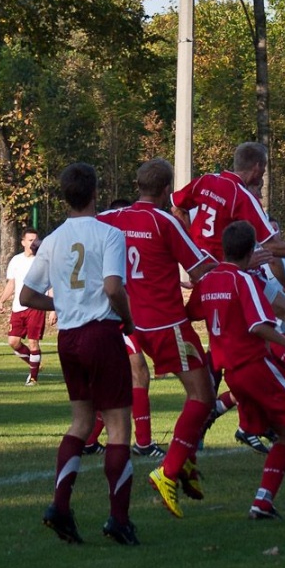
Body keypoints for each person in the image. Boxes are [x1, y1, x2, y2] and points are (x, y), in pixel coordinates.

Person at [171, 142, 285, 451]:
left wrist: (189, 247)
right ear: (257, 169)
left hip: (216, 272)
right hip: (227, 275)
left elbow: (177, 204)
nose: (262, 180)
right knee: (239, 350)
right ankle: (235, 420)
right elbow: (272, 247)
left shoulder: (206, 182)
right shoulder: (240, 195)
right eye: (264, 172)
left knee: (271, 322)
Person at [187, 220, 285, 521]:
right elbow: (258, 325)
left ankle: (262, 502)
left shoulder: (207, 281)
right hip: (255, 366)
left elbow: (191, 312)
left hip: (232, 373)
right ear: (252, 251)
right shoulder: (243, 280)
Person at [19, 162, 138, 546]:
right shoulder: (110, 233)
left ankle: (60, 506)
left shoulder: (52, 239)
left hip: (68, 338)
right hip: (102, 334)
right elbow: (113, 287)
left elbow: (26, 296)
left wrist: (63, 304)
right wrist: (129, 320)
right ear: (95, 193)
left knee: (81, 423)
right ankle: (118, 520)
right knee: (119, 425)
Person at [98, 158, 217, 519]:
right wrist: (235, 265)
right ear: (167, 191)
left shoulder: (110, 218)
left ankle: (184, 464)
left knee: (162, 386)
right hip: (167, 323)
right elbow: (199, 271)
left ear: (137, 185)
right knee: (203, 395)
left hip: (129, 322)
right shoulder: (165, 221)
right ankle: (169, 469)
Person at [84, 198, 164, 458]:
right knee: (137, 373)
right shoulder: (108, 241)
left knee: (124, 380)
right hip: (114, 317)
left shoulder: (114, 239)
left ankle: (90, 439)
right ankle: (142, 442)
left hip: (127, 315)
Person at [0, 227, 55, 386]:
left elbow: (51, 285)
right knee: (13, 342)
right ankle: (34, 363)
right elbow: (12, 283)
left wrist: (52, 310)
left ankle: (33, 378)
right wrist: (2, 300)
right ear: (23, 242)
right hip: (17, 307)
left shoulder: (42, 261)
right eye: (30, 240)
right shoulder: (16, 260)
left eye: (36, 240)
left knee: (33, 342)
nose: (34, 243)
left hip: (35, 306)